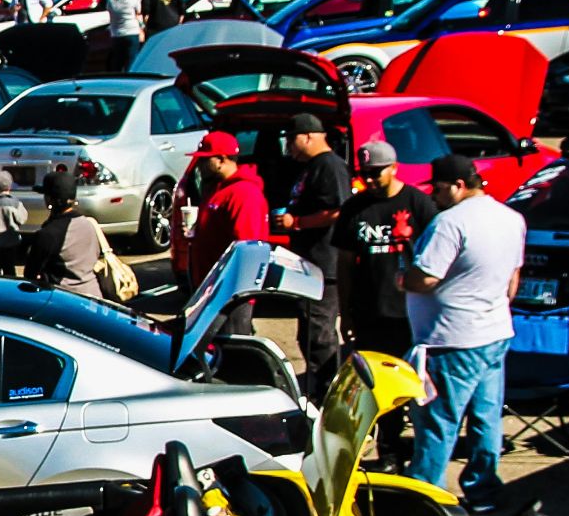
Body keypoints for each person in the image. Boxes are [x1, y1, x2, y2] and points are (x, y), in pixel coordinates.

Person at [403, 154, 526, 512]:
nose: (434, 196)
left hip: (451, 339)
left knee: (438, 421)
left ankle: (426, 497)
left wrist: (402, 278)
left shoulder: (449, 224)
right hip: (494, 332)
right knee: (486, 417)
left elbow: (425, 277)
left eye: (438, 189)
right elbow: (512, 282)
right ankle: (483, 489)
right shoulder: (511, 218)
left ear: (458, 186)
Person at [332, 140, 438, 471]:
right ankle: (388, 451)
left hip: (411, 314)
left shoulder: (419, 205)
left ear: (394, 168)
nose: (372, 180)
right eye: (366, 174)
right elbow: (345, 264)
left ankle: (417, 450)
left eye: (377, 173)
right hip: (370, 312)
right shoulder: (354, 208)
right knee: (377, 388)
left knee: (416, 386)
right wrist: (345, 312)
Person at [274, 113, 352, 398]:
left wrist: (297, 222)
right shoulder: (311, 167)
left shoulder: (330, 166)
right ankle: (319, 388)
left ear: (308, 136)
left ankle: (328, 394)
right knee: (307, 334)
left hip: (325, 267)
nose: (289, 147)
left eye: (292, 139)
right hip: (309, 266)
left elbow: (339, 211)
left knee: (319, 336)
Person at [187, 131, 269, 333]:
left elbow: (247, 250)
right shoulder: (217, 190)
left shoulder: (243, 194)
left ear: (222, 160)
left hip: (229, 296)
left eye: (205, 160)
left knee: (232, 354)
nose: (199, 165)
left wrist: (233, 293)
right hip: (210, 293)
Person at [22, 172, 104, 297]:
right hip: (94, 295)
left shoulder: (49, 234)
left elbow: (30, 273)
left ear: (49, 199)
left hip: (65, 300)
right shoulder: (89, 224)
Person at [106, 0, 142, 70]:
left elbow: (109, 10)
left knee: (117, 60)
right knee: (132, 59)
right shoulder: (132, 0)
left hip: (116, 33)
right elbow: (139, 11)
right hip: (131, 31)